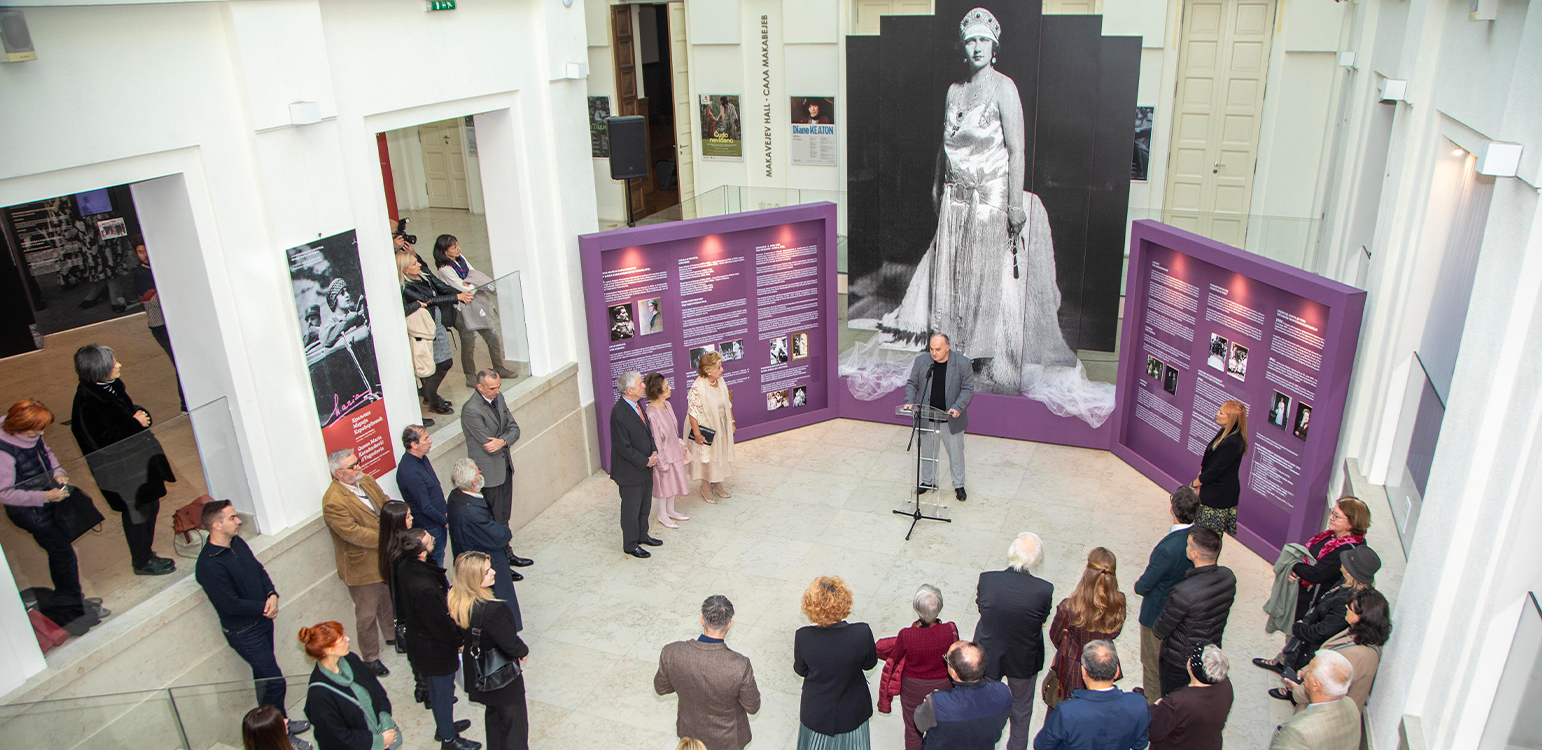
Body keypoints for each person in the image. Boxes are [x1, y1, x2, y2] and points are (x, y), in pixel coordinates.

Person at [849, 8, 1112, 429]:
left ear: (994, 46)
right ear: (963, 45)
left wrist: (1014, 205)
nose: (976, 48)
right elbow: (945, 142)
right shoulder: (955, 91)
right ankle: (952, 359)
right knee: (952, 282)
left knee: (987, 286)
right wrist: (937, 183)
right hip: (955, 205)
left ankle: (990, 365)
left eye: (983, 41)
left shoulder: (1005, 88)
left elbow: (1017, 150)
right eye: (970, 41)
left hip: (989, 202)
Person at [196, 500, 313, 750]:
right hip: (244, 631)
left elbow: (258, 570)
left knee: (264, 679)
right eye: (232, 518)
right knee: (274, 681)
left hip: (261, 621)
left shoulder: (236, 543)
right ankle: (278, 734)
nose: (239, 521)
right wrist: (263, 606)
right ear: (216, 525)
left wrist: (271, 593)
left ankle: (276, 724)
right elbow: (229, 604)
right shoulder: (208, 565)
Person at [70, 343, 176, 576]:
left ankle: (146, 553)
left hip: (139, 465)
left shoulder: (110, 387)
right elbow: (100, 443)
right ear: (98, 371)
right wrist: (134, 422)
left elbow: (122, 412)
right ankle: (142, 560)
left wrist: (137, 413)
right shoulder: (87, 403)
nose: (119, 365)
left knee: (150, 505)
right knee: (138, 514)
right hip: (123, 474)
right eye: (112, 363)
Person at [0, 400, 100, 633]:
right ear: (20, 428)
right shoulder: (4, 452)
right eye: (36, 431)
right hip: (32, 512)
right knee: (64, 556)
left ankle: (73, 603)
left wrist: (59, 473)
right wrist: (45, 497)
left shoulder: (31, 432)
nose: (41, 434)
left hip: (47, 502)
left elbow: (47, 453)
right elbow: (4, 494)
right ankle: (72, 610)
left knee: (62, 555)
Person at [395, 529, 480, 750]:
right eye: (428, 540)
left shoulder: (406, 565)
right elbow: (439, 624)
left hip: (422, 642)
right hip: (433, 648)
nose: (433, 539)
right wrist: (458, 640)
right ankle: (449, 739)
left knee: (437, 689)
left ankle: (445, 727)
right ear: (421, 552)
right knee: (442, 692)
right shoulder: (423, 589)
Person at [974, 532, 1053, 750]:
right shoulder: (1044, 590)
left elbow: (982, 607)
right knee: (1021, 714)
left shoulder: (987, 579)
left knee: (986, 710)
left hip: (989, 654)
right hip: (1024, 659)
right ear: (1036, 559)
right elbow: (1042, 620)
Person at [320, 448, 393, 677]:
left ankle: (392, 636)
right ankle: (370, 657)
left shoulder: (368, 481)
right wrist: (387, 537)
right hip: (361, 567)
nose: (358, 467)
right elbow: (351, 533)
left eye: (357, 462)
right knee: (367, 614)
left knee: (388, 601)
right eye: (352, 466)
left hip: (383, 558)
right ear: (338, 474)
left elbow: (385, 502)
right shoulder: (332, 501)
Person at [654, 595, 761, 750]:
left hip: (690, 735)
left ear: (702, 620)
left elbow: (661, 688)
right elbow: (753, 706)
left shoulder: (671, 652)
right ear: (729, 624)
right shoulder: (739, 665)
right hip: (728, 740)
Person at [449, 551, 530, 750]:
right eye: (486, 572)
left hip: (477, 675)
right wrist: (523, 651)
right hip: (501, 679)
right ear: (474, 579)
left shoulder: (457, 601)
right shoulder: (493, 611)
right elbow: (511, 644)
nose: (493, 572)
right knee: (514, 729)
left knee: (494, 721)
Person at [1257, 547, 1381, 677]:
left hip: (1313, 652)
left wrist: (1299, 627)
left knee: (1298, 680)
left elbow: (1321, 633)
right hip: (1310, 642)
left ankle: (1291, 692)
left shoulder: (1348, 602)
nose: (1341, 562)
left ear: (1350, 572)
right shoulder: (1346, 584)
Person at [794, 576, 879, 749]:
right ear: (844, 602)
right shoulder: (862, 632)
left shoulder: (803, 636)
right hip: (853, 713)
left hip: (817, 715)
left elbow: (801, 670)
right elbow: (870, 664)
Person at [461, 370, 533, 572]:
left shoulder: (499, 398)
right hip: (490, 472)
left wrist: (502, 440)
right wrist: (504, 439)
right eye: (492, 388)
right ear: (480, 387)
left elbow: (514, 428)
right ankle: (500, 564)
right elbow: (487, 444)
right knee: (494, 519)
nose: (497, 391)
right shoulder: (471, 410)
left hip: (504, 466)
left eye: (498, 387)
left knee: (504, 515)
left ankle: (507, 554)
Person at [1152, 527, 1236, 696]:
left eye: (1188, 545)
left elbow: (1160, 629)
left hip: (1179, 660)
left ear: (1195, 554)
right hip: (1209, 651)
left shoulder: (1183, 592)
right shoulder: (1228, 577)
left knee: (1173, 701)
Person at [1133, 486, 1198, 703]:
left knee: (1152, 665)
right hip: (1181, 614)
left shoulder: (1168, 549)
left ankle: (1152, 708)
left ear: (1172, 508)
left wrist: (1138, 585)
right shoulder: (1198, 538)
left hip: (1157, 615)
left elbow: (1144, 585)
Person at [1283, 587, 1389, 710]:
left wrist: (1296, 691)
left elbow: (1325, 688)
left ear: (1362, 617)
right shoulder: (1360, 634)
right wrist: (1307, 670)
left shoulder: (1357, 655)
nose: (1346, 608)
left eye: (1351, 608)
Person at [1045, 548, 1126, 708]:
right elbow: (1116, 631)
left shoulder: (1068, 607)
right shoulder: (1119, 602)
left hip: (1073, 668)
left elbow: (1056, 637)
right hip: (1103, 663)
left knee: (1065, 711)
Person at [299, 622, 400, 750]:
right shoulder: (318, 695)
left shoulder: (351, 659)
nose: (348, 639)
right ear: (329, 650)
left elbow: (376, 688)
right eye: (341, 639)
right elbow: (337, 738)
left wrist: (386, 723)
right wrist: (378, 741)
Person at [447, 459, 523, 628]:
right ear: (473, 481)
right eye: (477, 470)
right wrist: (505, 530)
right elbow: (498, 535)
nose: (481, 471)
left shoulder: (455, 497)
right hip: (484, 560)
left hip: (468, 555)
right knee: (498, 601)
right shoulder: (472, 512)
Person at [881, 584, 959, 750]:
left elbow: (895, 657)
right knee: (941, 725)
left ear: (916, 609)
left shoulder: (906, 634)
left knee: (913, 729)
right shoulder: (950, 630)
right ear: (940, 607)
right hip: (943, 685)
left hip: (912, 687)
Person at [1031, 641, 1149, 750]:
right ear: (1117, 671)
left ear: (1083, 671)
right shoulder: (1138, 704)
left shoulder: (1066, 711)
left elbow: (1041, 746)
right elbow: (1140, 744)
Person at [432, 235, 516, 387]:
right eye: (454, 247)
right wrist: (472, 284)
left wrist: (471, 283)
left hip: (476, 306)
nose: (459, 249)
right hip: (460, 310)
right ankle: (470, 376)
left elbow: (474, 275)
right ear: (445, 252)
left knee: (491, 336)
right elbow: (465, 289)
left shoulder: (460, 259)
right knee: (468, 342)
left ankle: (499, 367)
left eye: (457, 245)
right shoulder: (445, 270)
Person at [903, 334, 974, 501]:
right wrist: (909, 402)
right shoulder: (922, 361)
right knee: (927, 451)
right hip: (927, 417)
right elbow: (912, 383)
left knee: (956, 453)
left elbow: (968, 389)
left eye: (938, 349)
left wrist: (957, 407)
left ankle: (959, 485)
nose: (933, 353)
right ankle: (928, 481)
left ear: (947, 347)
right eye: (931, 349)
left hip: (951, 419)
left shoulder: (962, 363)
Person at [400, 252, 470, 415]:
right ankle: (432, 398)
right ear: (404, 270)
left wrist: (460, 293)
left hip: (436, 323)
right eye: (413, 264)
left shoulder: (424, 275)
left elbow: (441, 287)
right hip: (422, 328)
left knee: (444, 362)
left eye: (416, 261)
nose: (418, 264)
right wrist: (456, 297)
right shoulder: (406, 287)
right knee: (430, 364)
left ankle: (430, 394)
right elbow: (427, 300)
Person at [911, 640, 1012, 749]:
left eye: (947, 659)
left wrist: (933, 701)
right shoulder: (1003, 693)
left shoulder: (937, 703)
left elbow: (920, 724)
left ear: (954, 672)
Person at [1289, 497, 1370, 623]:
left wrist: (1293, 566)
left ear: (1352, 523)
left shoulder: (1347, 550)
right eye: (1332, 512)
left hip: (1315, 603)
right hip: (1305, 593)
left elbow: (1316, 575)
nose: (1331, 517)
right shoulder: (1332, 536)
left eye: (1336, 516)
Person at [129, 237, 186, 411]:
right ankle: (186, 404)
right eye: (140, 252)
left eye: (146, 250)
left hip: (174, 324)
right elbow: (158, 301)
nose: (145, 255)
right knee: (181, 364)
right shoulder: (141, 275)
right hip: (161, 327)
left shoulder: (159, 268)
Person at [611, 370, 663, 557]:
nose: (644, 386)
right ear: (629, 390)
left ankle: (642, 535)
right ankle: (631, 544)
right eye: (641, 383)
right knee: (631, 510)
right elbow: (623, 448)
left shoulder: (638, 405)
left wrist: (654, 451)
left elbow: (647, 433)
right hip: (630, 471)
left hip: (645, 468)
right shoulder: (619, 413)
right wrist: (646, 460)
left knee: (644, 506)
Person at [1268, 650, 1360, 750]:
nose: (1306, 673)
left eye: (1310, 671)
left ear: (1316, 685)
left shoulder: (1299, 733)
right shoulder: (1350, 704)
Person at [1147, 644, 1233, 750]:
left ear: (1191, 668)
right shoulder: (1226, 685)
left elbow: (1154, 733)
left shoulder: (1176, 702)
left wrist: (1155, 707)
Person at [1190, 400, 1247, 535]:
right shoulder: (1224, 433)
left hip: (1219, 496)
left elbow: (1216, 470)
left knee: (1208, 538)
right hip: (1210, 489)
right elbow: (1209, 458)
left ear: (1231, 419)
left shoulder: (1233, 442)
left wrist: (1195, 483)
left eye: (1221, 412)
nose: (1217, 414)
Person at [644, 373, 691, 529]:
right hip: (663, 457)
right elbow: (656, 441)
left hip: (674, 452)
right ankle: (662, 514)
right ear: (657, 391)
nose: (670, 388)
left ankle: (671, 510)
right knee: (663, 487)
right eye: (666, 387)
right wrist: (662, 464)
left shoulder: (667, 405)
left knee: (673, 483)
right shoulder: (651, 414)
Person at [686, 352, 735, 503]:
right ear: (708, 370)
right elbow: (692, 413)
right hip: (704, 427)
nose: (722, 370)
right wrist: (697, 433)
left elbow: (728, 402)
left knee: (719, 453)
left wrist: (731, 421)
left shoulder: (720, 381)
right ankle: (705, 485)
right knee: (706, 458)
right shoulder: (698, 387)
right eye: (718, 367)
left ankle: (717, 481)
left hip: (720, 424)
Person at [396, 425, 449, 566]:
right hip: (431, 525)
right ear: (414, 444)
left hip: (438, 519)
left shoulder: (422, 458)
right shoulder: (410, 472)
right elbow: (425, 506)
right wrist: (445, 521)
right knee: (435, 560)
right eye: (426, 439)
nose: (430, 441)